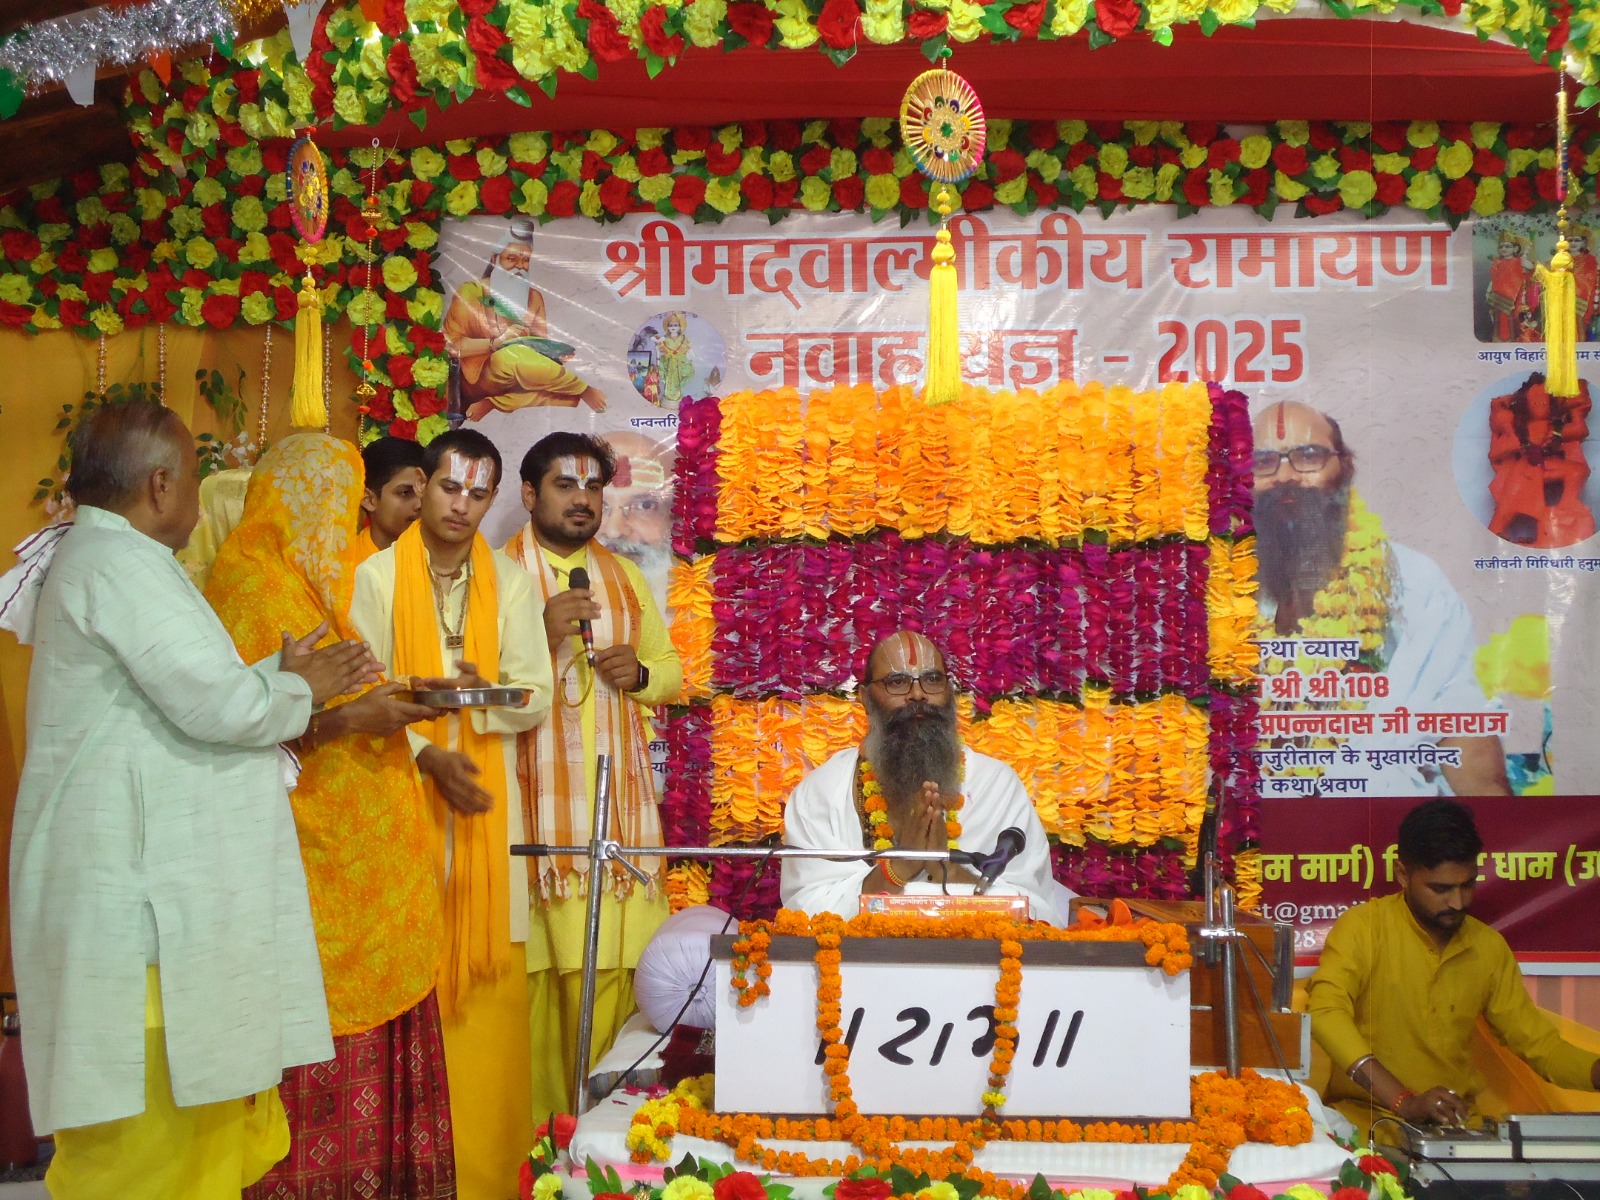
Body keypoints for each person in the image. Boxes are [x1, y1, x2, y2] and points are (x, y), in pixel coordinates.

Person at [9, 401, 377, 1200]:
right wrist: (298, 689)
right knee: (147, 1155)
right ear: (160, 484)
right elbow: (219, 709)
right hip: (139, 922)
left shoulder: (121, 560)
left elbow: (186, 700)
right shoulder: (119, 564)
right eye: (194, 478)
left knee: (185, 1147)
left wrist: (277, 680)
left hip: (146, 906)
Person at [206, 434, 455, 1200]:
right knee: (314, 1065)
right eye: (339, 505)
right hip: (308, 869)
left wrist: (394, 704)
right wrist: (353, 719)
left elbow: (343, 693)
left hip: (369, 875)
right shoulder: (249, 587)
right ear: (300, 500)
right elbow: (240, 732)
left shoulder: (313, 583)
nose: (345, 523)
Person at [350, 427, 553, 1200]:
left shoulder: (512, 584)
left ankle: (488, 1179)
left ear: (492, 500)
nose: (462, 505)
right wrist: (423, 752)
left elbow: (533, 694)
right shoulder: (374, 579)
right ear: (424, 483)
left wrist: (483, 693)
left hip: (483, 813)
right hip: (399, 803)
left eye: (478, 493)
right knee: (407, 994)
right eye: (448, 487)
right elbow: (360, 698)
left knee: (486, 1004)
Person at [502, 431, 683, 1119]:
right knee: (539, 993)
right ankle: (540, 1150)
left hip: (616, 819)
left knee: (618, 979)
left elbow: (671, 672)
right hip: (533, 827)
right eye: (565, 484)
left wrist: (638, 674)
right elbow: (472, 683)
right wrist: (542, 634)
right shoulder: (497, 577)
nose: (582, 499)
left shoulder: (624, 578)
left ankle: (609, 1140)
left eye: (593, 487)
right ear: (529, 494)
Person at [1253, 400, 1509, 795]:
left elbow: (1461, 725)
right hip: (1250, 826)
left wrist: (1503, 830)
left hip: (1380, 826)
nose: (1284, 475)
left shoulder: (1412, 583)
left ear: (1345, 468)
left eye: (1308, 455)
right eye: (1262, 461)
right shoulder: (1216, 593)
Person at [1308, 798, 1600, 1139]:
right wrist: (1404, 1101)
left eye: (1467, 885)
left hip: (1456, 1131)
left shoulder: (1487, 947)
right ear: (1403, 874)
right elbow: (1326, 1012)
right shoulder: (1364, 927)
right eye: (1441, 888)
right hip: (1368, 1126)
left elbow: (1541, 1046)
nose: (1458, 902)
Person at [781, 630, 1059, 922]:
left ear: (949, 691)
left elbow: (1036, 911)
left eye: (932, 679)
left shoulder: (997, 786)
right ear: (865, 697)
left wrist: (946, 869)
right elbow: (805, 910)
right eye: (897, 681)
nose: (917, 694)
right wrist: (899, 867)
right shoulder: (822, 792)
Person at [443, 218, 605, 420]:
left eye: (525, 260)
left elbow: (540, 357)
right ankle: (582, 389)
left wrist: (553, 355)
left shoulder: (534, 298)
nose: (519, 267)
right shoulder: (471, 292)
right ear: (495, 259)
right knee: (511, 356)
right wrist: (496, 343)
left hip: (519, 382)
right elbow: (451, 346)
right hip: (478, 378)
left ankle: (494, 403)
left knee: (544, 377)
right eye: (511, 259)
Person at [1486, 373, 1594, 548]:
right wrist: (1514, 441)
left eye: (1543, 402)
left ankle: (1568, 503)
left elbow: (1579, 430)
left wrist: (1577, 412)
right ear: (1525, 405)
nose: (1539, 406)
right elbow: (1495, 453)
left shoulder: (1555, 427)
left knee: (1577, 471)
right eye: (1534, 402)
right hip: (1524, 470)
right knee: (1506, 508)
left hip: (1547, 466)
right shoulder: (1519, 428)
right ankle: (1493, 537)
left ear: (1551, 403)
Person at [595, 429, 676, 608]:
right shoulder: (539, 597)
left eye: (644, 506)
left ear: (675, 516)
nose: (614, 532)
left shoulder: (709, 608)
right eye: (599, 505)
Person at [358, 435, 427, 560]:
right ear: (369, 500)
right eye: (405, 493)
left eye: (424, 491)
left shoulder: (442, 561)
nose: (420, 504)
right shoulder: (340, 565)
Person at [1486, 230, 1536, 344]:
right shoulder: (1497, 263)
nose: (1504, 249)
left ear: (1515, 248)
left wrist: (1524, 263)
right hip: (1497, 298)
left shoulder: (1519, 262)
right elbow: (1494, 280)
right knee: (1499, 321)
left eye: (1507, 246)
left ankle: (1512, 341)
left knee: (1512, 322)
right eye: (1501, 246)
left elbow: (1531, 269)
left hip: (1514, 299)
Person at [654, 311, 694, 407]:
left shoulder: (683, 338)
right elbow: (661, 349)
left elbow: (687, 348)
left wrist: (689, 354)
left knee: (689, 372)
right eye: (671, 325)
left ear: (680, 327)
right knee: (669, 379)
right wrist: (659, 348)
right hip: (668, 362)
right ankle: (669, 396)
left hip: (680, 362)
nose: (673, 327)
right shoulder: (665, 339)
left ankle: (677, 394)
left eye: (675, 325)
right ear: (667, 327)